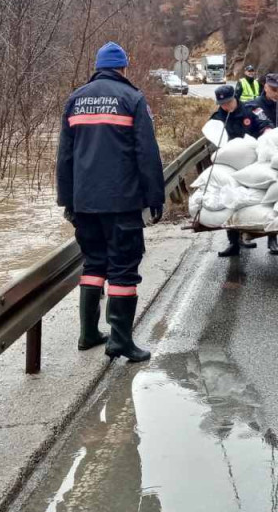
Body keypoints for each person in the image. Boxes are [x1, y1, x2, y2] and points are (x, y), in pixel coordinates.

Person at [57, 42, 165, 363]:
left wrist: (67, 200)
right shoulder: (132, 99)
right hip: (121, 203)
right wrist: (154, 196)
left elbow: (65, 157)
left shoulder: (75, 100)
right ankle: (120, 341)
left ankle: (88, 333)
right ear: (124, 68)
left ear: (97, 66)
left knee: (93, 265)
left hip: (84, 203)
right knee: (123, 268)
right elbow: (147, 154)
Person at [209, 84, 274, 257]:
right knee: (231, 198)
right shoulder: (217, 117)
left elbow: (266, 123)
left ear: (235, 98)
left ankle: (272, 237)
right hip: (232, 165)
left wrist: (266, 132)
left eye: (228, 102)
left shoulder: (251, 110)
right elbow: (212, 137)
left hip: (255, 160)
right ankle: (234, 242)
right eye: (222, 103)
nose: (225, 106)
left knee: (266, 195)